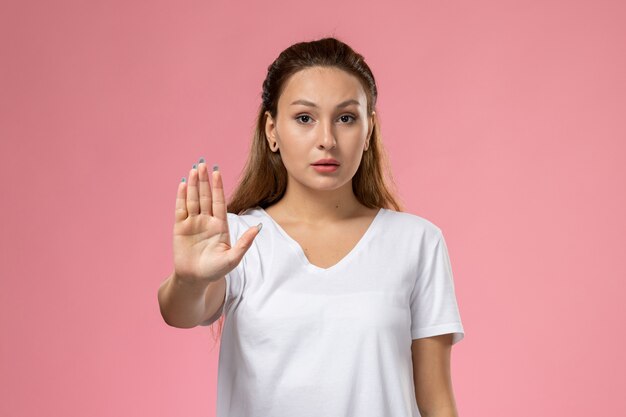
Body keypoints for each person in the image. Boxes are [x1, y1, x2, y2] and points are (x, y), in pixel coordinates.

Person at [158, 37, 465, 417]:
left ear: (368, 131)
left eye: (346, 118)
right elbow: (181, 312)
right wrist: (189, 279)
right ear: (272, 130)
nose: (327, 140)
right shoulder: (237, 240)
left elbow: (436, 401)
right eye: (305, 118)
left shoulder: (418, 242)